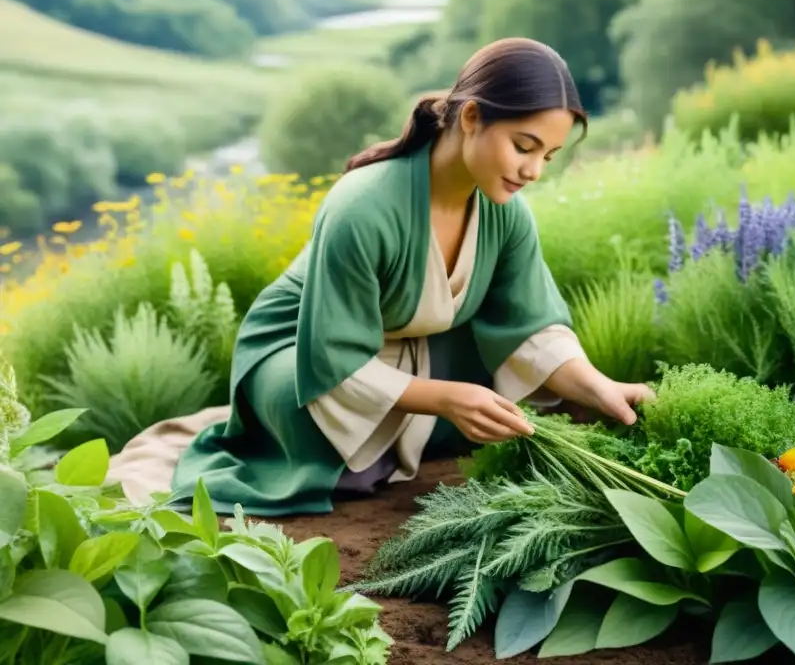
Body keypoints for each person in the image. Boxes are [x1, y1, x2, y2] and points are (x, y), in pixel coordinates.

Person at [107, 37, 655, 516]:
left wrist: (600, 388)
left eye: (549, 157)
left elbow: (530, 325)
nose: (532, 171)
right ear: (470, 119)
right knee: (334, 450)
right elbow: (331, 357)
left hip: (408, 347)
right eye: (524, 146)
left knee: (512, 397)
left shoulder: (505, 212)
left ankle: (422, 420)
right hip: (304, 355)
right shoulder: (363, 205)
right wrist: (442, 399)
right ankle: (330, 435)